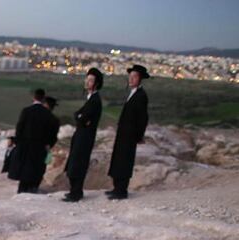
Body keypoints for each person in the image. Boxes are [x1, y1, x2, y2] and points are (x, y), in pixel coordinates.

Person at [106, 64, 150, 200]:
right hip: (123, 133)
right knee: (118, 159)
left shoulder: (141, 95)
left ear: (140, 79)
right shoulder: (133, 93)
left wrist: (138, 135)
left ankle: (121, 191)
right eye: (130, 77)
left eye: (134, 77)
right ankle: (116, 187)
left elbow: (143, 118)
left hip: (130, 135)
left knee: (125, 161)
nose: (131, 79)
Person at [63, 68, 104, 203]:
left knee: (78, 163)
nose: (87, 82)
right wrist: (80, 117)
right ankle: (74, 191)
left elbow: (82, 117)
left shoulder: (95, 100)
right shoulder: (90, 99)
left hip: (85, 137)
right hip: (82, 134)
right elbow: (78, 115)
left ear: (96, 83)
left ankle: (76, 193)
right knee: (75, 162)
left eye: (91, 80)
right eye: (87, 79)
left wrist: (80, 117)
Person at [9, 89, 57, 193]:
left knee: (24, 171)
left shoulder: (26, 111)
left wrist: (18, 142)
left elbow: (19, 128)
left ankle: (22, 192)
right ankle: (32, 190)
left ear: (33, 97)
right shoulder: (49, 115)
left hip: (25, 146)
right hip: (40, 148)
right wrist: (48, 145)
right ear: (43, 98)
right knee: (36, 170)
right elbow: (52, 135)